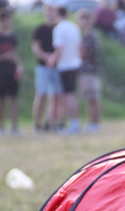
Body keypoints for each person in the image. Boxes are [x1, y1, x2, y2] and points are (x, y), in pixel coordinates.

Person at [48, 5, 83, 134]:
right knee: (72, 95)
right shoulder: (74, 27)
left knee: (69, 95)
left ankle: (74, 124)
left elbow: (59, 49)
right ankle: (74, 122)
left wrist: (52, 60)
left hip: (66, 65)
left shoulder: (58, 29)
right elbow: (79, 47)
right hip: (75, 63)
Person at [0, 9, 23, 135]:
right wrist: (5, 56)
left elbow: (14, 54)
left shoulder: (11, 37)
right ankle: (1, 127)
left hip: (12, 72)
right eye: (8, 20)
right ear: (2, 21)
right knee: (1, 100)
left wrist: (19, 66)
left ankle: (15, 127)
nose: (10, 23)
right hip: (0, 73)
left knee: (14, 99)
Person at [32, 3, 61, 132]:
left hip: (57, 66)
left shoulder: (59, 28)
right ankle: (37, 124)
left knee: (55, 96)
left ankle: (52, 123)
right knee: (41, 95)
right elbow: (35, 46)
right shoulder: (40, 29)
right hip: (43, 66)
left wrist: (54, 57)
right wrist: (45, 57)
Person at [76, 9, 101, 132]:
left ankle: (94, 123)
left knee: (92, 98)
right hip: (88, 70)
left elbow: (83, 54)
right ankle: (92, 122)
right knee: (90, 98)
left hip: (88, 70)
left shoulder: (88, 36)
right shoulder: (88, 35)